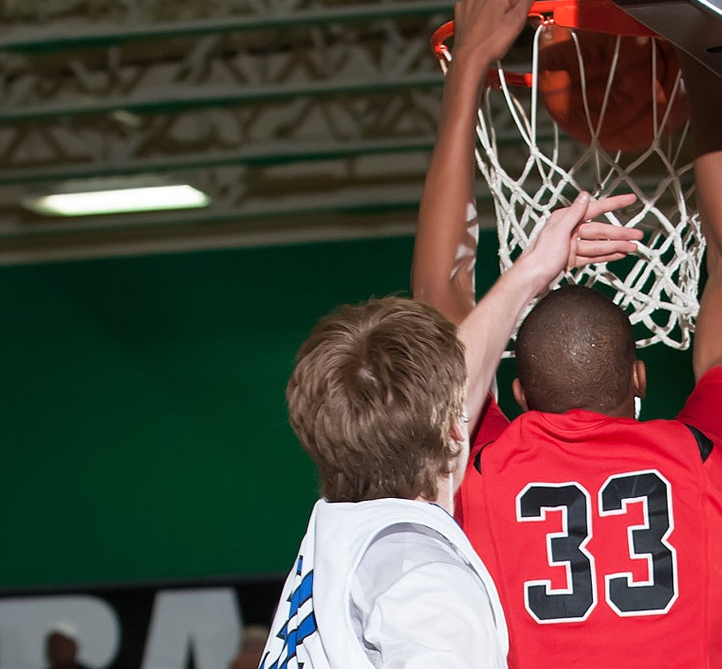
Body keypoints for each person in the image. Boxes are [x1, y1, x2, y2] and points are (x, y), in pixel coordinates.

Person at [412, 0, 722, 669]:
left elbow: (440, 290)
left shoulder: (482, 470)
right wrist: (700, 64)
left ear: (516, 397)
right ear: (638, 377)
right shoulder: (706, 465)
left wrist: (465, 76)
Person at [258, 44, 644, 669]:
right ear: (450, 428)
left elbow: (443, 395)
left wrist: (528, 275)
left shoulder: (342, 529)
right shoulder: (426, 588)